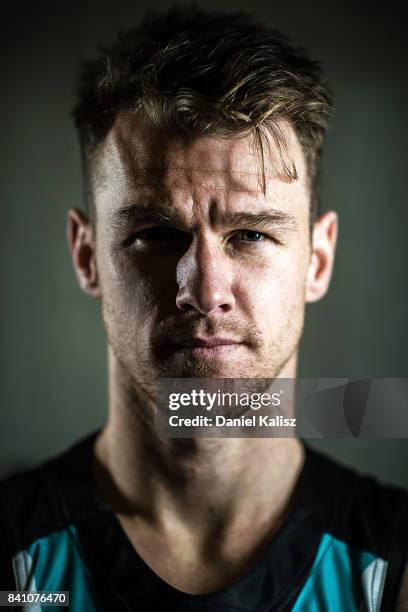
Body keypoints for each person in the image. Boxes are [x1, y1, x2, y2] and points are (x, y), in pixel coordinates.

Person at [0, 6, 407, 611]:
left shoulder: (391, 568)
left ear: (317, 261)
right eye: (156, 235)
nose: (204, 287)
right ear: (87, 256)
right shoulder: (16, 559)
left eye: (251, 234)